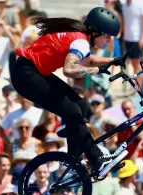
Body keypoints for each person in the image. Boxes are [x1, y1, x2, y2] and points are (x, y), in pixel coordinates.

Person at [11, 7, 122, 175]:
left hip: (32, 71)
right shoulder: (81, 42)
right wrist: (97, 71)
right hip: (26, 75)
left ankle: (72, 159)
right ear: (96, 32)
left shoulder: (80, 38)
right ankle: (97, 158)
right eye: (107, 36)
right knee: (72, 111)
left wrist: (113, 60)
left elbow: (88, 59)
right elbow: (69, 69)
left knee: (81, 104)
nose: (108, 41)